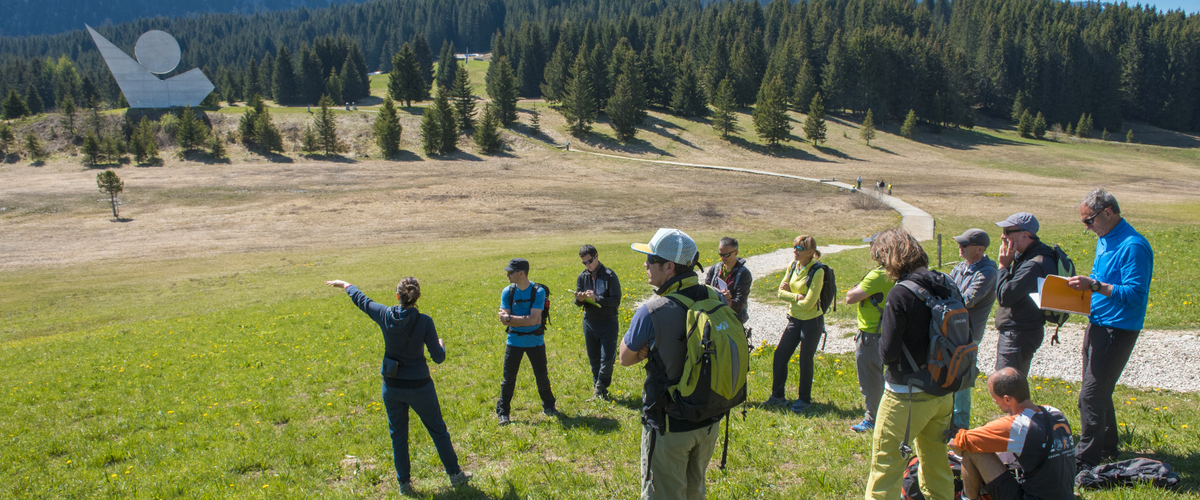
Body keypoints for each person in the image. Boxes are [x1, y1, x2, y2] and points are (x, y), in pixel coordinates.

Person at [324, 277, 471, 494]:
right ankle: (456, 476)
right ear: (418, 296)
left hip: (391, 387)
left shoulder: (384, 315)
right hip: (420, 387)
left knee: (398, 435)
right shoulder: (425, 322)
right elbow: (438, 358)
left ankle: (404, 484)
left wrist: (345, 284)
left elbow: (362, 300)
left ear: (397, 296)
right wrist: (441, 345)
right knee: (438, 431)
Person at [620, 228, 723, 500]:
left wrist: (644, 348)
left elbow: (625, 357)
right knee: (695, 490)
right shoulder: (716, 297)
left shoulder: (652, 311)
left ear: (668, 267)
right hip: (710, 419)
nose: (645, 264)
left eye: (650, 259)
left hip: (669, 425)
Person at [864, 228, 956, 500]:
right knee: (937, 463)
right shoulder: (947, 282)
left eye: (881, 262)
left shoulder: (900, 294)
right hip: (944, 390)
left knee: (886, 467)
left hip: (907, 396)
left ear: (889, 258)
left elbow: (888, 353)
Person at [1065, 188, 1154, 470]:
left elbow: (1135, 295)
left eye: (1089, 221)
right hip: (1098, 324)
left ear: (1108, 212)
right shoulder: (1105, 238)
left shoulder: (1133, 246)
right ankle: (1107, 446)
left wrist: (1094, 286)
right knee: (1098, 390)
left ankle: (1085, 460)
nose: (1088, 228)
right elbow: (1101, 281)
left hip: (1118, 328)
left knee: (1090, 395)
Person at [948, 368, 1076, 500]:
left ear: (1007, 399)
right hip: (1065, 495)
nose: (993, 401)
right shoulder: (1055, 413)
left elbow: (958, 442)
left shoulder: (1019, 425)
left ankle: (967, 498)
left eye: (994, 398)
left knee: (972, 448)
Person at [764, 235, 825, 413]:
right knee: (780, 355)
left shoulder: (817, 271)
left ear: (811, 253)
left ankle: (804, 399)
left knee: (805, 360)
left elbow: (809, 304)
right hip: (794, 318)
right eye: (794, 247)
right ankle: (777, 396)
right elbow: (779, 293)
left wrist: (792, 295)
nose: (795, 252)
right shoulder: (793, 267)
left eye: (799, 249)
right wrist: (797, 296)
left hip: (812, 321)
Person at [993, 212, 1056, 377]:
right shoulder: (1028, 257)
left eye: (1007, 231)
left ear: (1025, 234)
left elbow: (1005, 297)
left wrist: (1003, 266)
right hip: (1019, 332)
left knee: (1008, 387)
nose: (1002, 236)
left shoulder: (1034, 264)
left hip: (1019, 334)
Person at [948, 228, 999, 431]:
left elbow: (965, 301)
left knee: (961, 382)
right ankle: (946, 419)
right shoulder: (961, 267)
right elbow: (948, 291)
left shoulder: (987, 272)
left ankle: (961, 426)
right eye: (960, 244)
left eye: (964, 245)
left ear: (980, 248)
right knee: (947, 376)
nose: (960, 248)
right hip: (951, 330)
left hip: (968, 335)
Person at [496, 258, 558, 424]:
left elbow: (533, 320)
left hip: (535, 341)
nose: (507, 275)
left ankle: (549, 406)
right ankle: (503, 412)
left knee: (542, 377)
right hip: (514, 341)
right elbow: (525, 320)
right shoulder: (507, 291)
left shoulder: (538, 292)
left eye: (510, 272)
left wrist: (510, 318)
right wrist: (523, 320)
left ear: (521, 273)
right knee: (508, 379)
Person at [845, 236, 895, 433]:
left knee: (870, 379)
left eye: (871, 246)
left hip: (871, 333)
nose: (869, 250)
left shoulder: (877, 275)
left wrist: (854, 289)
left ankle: (872, 419)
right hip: (889, 331)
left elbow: (850, 297)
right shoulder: (897, 273)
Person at [575, 244, 623, 401]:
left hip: (608, 322)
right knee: (594, 359)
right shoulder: (582, 277)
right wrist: (580, 299)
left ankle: (600, 388)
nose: (587, 265)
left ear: (596, 256)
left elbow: (616, 300)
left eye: (589, 261)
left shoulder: (609, 275)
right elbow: (578, 302)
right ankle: (600, 392)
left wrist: (597, 299)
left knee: (607, 359)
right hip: (589, 322)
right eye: (584, 263)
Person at [703, 236, 753, 323]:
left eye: (726, 255)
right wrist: (722, 298)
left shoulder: (744, 274)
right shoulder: (714, 269)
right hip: (713, 316)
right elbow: (705, 291)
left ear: (736, 253)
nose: (722, 258)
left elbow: (739, 303)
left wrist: (719, 299)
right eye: (720, 254)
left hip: (733, 320)